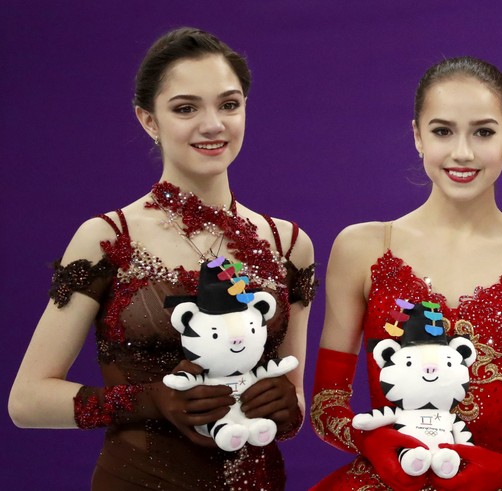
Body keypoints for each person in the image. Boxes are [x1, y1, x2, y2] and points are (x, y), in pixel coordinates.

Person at [8, 27, 316, 490]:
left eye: (229, 104)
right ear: (148, 120)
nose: (213, 124)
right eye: (186, 108)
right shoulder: (108, 237)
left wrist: (286, 406)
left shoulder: (289, 244)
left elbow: (294, 396)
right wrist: (149, 401)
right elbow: (27, 401)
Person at [309, 56, 502, 490]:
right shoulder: (360, 248)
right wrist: (374, 442)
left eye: (484, 132)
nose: (463, 152)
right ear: (417, 136)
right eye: (442, 131)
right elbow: (326, 406)